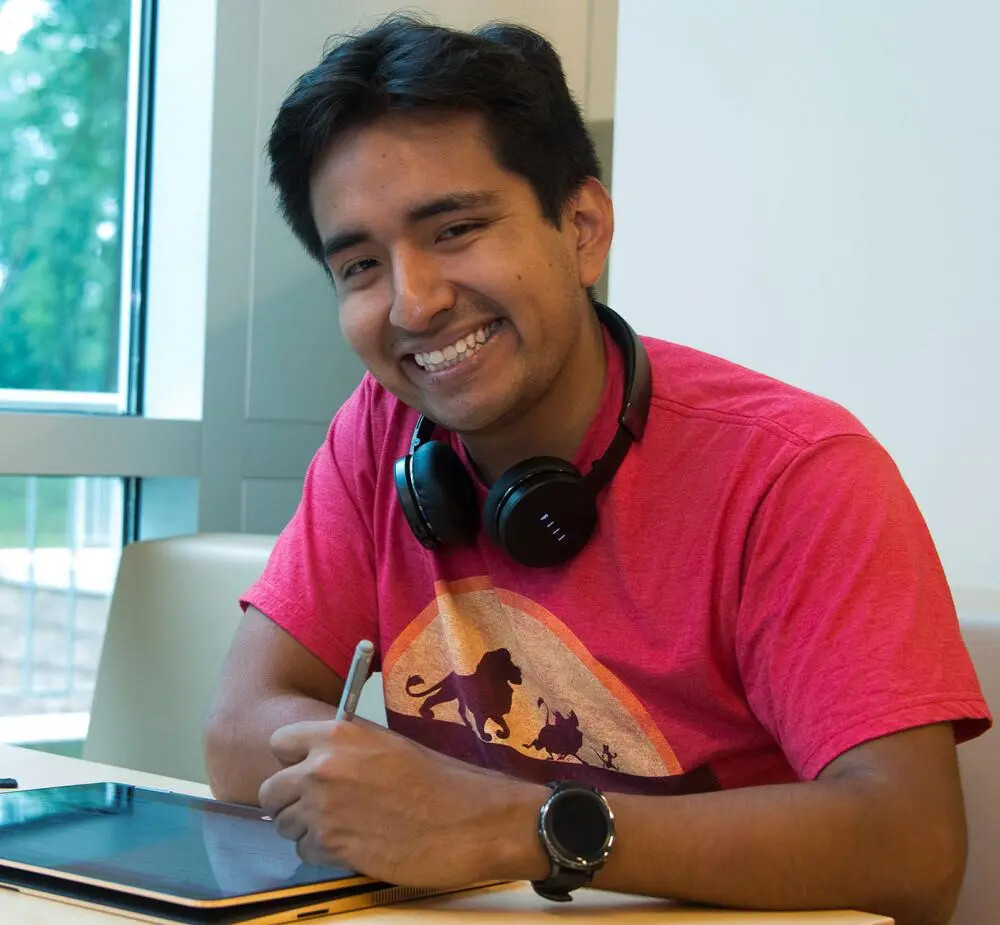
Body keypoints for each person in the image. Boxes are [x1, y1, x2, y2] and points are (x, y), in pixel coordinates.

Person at [204, 15, 990, 925]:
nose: (413, 302)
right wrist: (417, 809)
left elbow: (914, 849)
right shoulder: (379, 430)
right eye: (361, 265)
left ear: (583, 227)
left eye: (455, 228)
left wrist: (522, 827)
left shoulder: (796, 472)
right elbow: (237, 732)